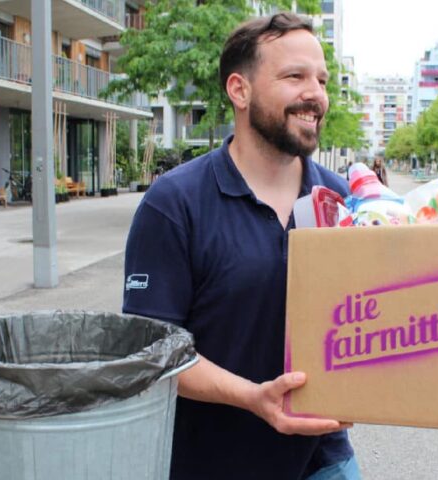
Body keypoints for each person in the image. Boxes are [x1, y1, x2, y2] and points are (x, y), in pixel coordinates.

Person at [122, 13, 359, 480]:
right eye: (295, 76)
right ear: (239, 90)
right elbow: (152, 351)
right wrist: (253, 397)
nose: (315, 94)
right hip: (210, 463)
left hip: (323, 457)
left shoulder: (341, 199)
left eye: (322, 80)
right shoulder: (174, 203)